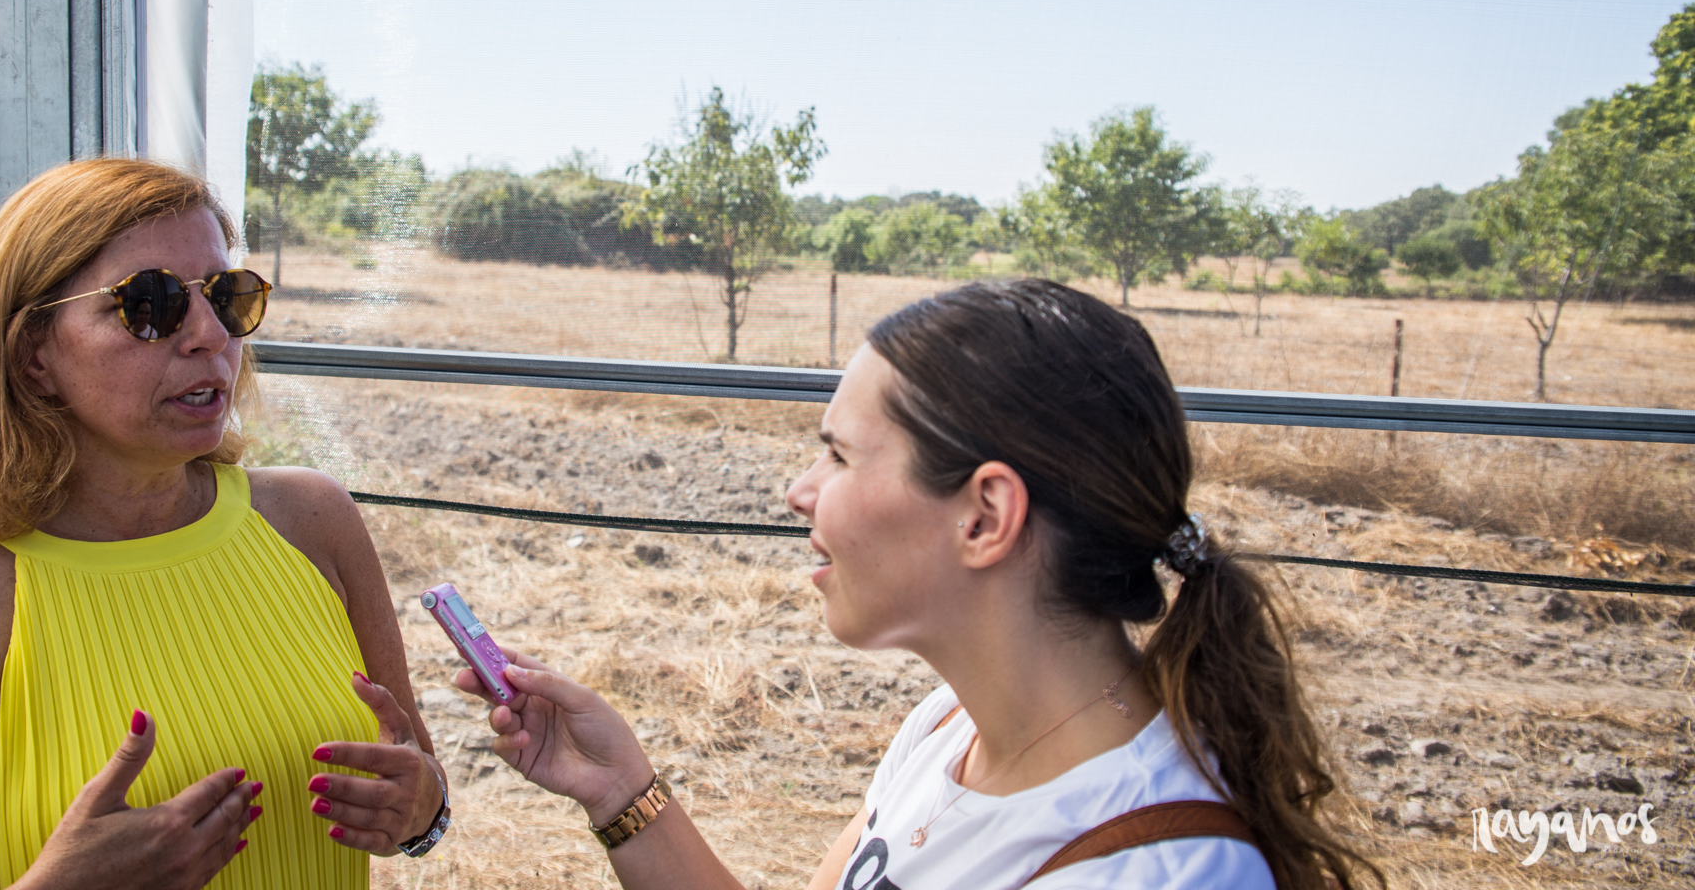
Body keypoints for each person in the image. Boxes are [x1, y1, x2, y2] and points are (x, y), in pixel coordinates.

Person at [457, 279, 1384, 890]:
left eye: (838, 455)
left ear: (984, 516)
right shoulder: (948, 729)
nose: (799, 491)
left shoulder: (1153, 870)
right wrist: (623, 792)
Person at [0, 159, 448, 890]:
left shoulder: (312, 521)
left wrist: (422, 810)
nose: (208, 335)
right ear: (33, 355)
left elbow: (420, 779)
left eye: (227, 296)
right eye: (150, 304)